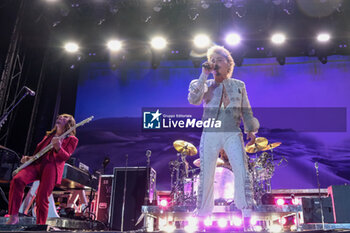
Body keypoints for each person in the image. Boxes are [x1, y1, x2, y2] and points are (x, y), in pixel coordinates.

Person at [188, 45, 259, 218]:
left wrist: (250, 130)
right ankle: (203, 211)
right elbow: (193, 99)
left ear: (229, 64)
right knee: (206, 171)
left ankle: (245, 209)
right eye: (212, 60)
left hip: (232, 132)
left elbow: (246, 110)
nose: (215, 63)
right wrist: (204, 75)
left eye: (219, 60)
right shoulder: (204, 84)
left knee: (241, 168)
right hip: (210, 132)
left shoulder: (239, 85)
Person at [6, 114, 79, 225]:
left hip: (52, 168)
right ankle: (13, 216)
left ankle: (40, 225)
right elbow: (39, 153)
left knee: (42, 197)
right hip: (37, 165)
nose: (60, 117)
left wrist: (58, 147)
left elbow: (65, 157)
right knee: (17, 180)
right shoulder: (49, 136)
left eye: (65, 117)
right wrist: (28, 159)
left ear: (70, 123)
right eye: (60, 116)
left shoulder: (72, 139)